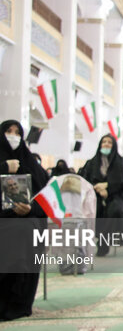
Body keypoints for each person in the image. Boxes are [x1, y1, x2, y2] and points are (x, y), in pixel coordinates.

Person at [0, 119, 49, 320]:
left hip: (27, 218)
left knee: (24, 232)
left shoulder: (31, 165)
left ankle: (18, 301)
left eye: (17, 132)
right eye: (8, 131)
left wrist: (30, 208)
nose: (13, 135)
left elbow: (46, 199)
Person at [79, 134, 123, 256]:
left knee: (114, 210)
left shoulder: (120, 162)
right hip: (95, 194)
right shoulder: (92, 162)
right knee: (91, 210)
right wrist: (97, 188)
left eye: (109, 142)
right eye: (104, 142)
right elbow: (86, 179)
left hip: (116, 194)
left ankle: (105, 241)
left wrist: (108, 186)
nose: (106, 144)